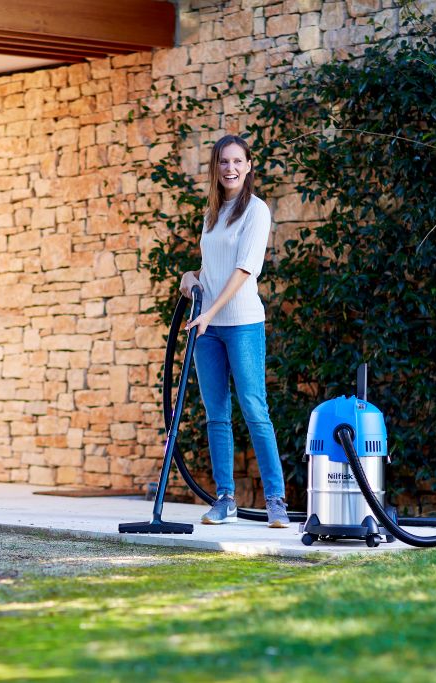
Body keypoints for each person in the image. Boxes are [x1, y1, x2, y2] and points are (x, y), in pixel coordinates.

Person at [179, 134, 289, 528]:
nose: (230, 168)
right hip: (206, 327)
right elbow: (211, 266)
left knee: (255, 409)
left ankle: (276, 499)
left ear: (248, 166)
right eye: (223, 162)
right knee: (216, 414)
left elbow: (244, 269)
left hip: (240, 323)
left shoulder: (256, 211)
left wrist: (211, 312)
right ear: (216, 167)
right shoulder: (211, 212)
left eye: (237, 161)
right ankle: (225, 498)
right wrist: (189, 276)